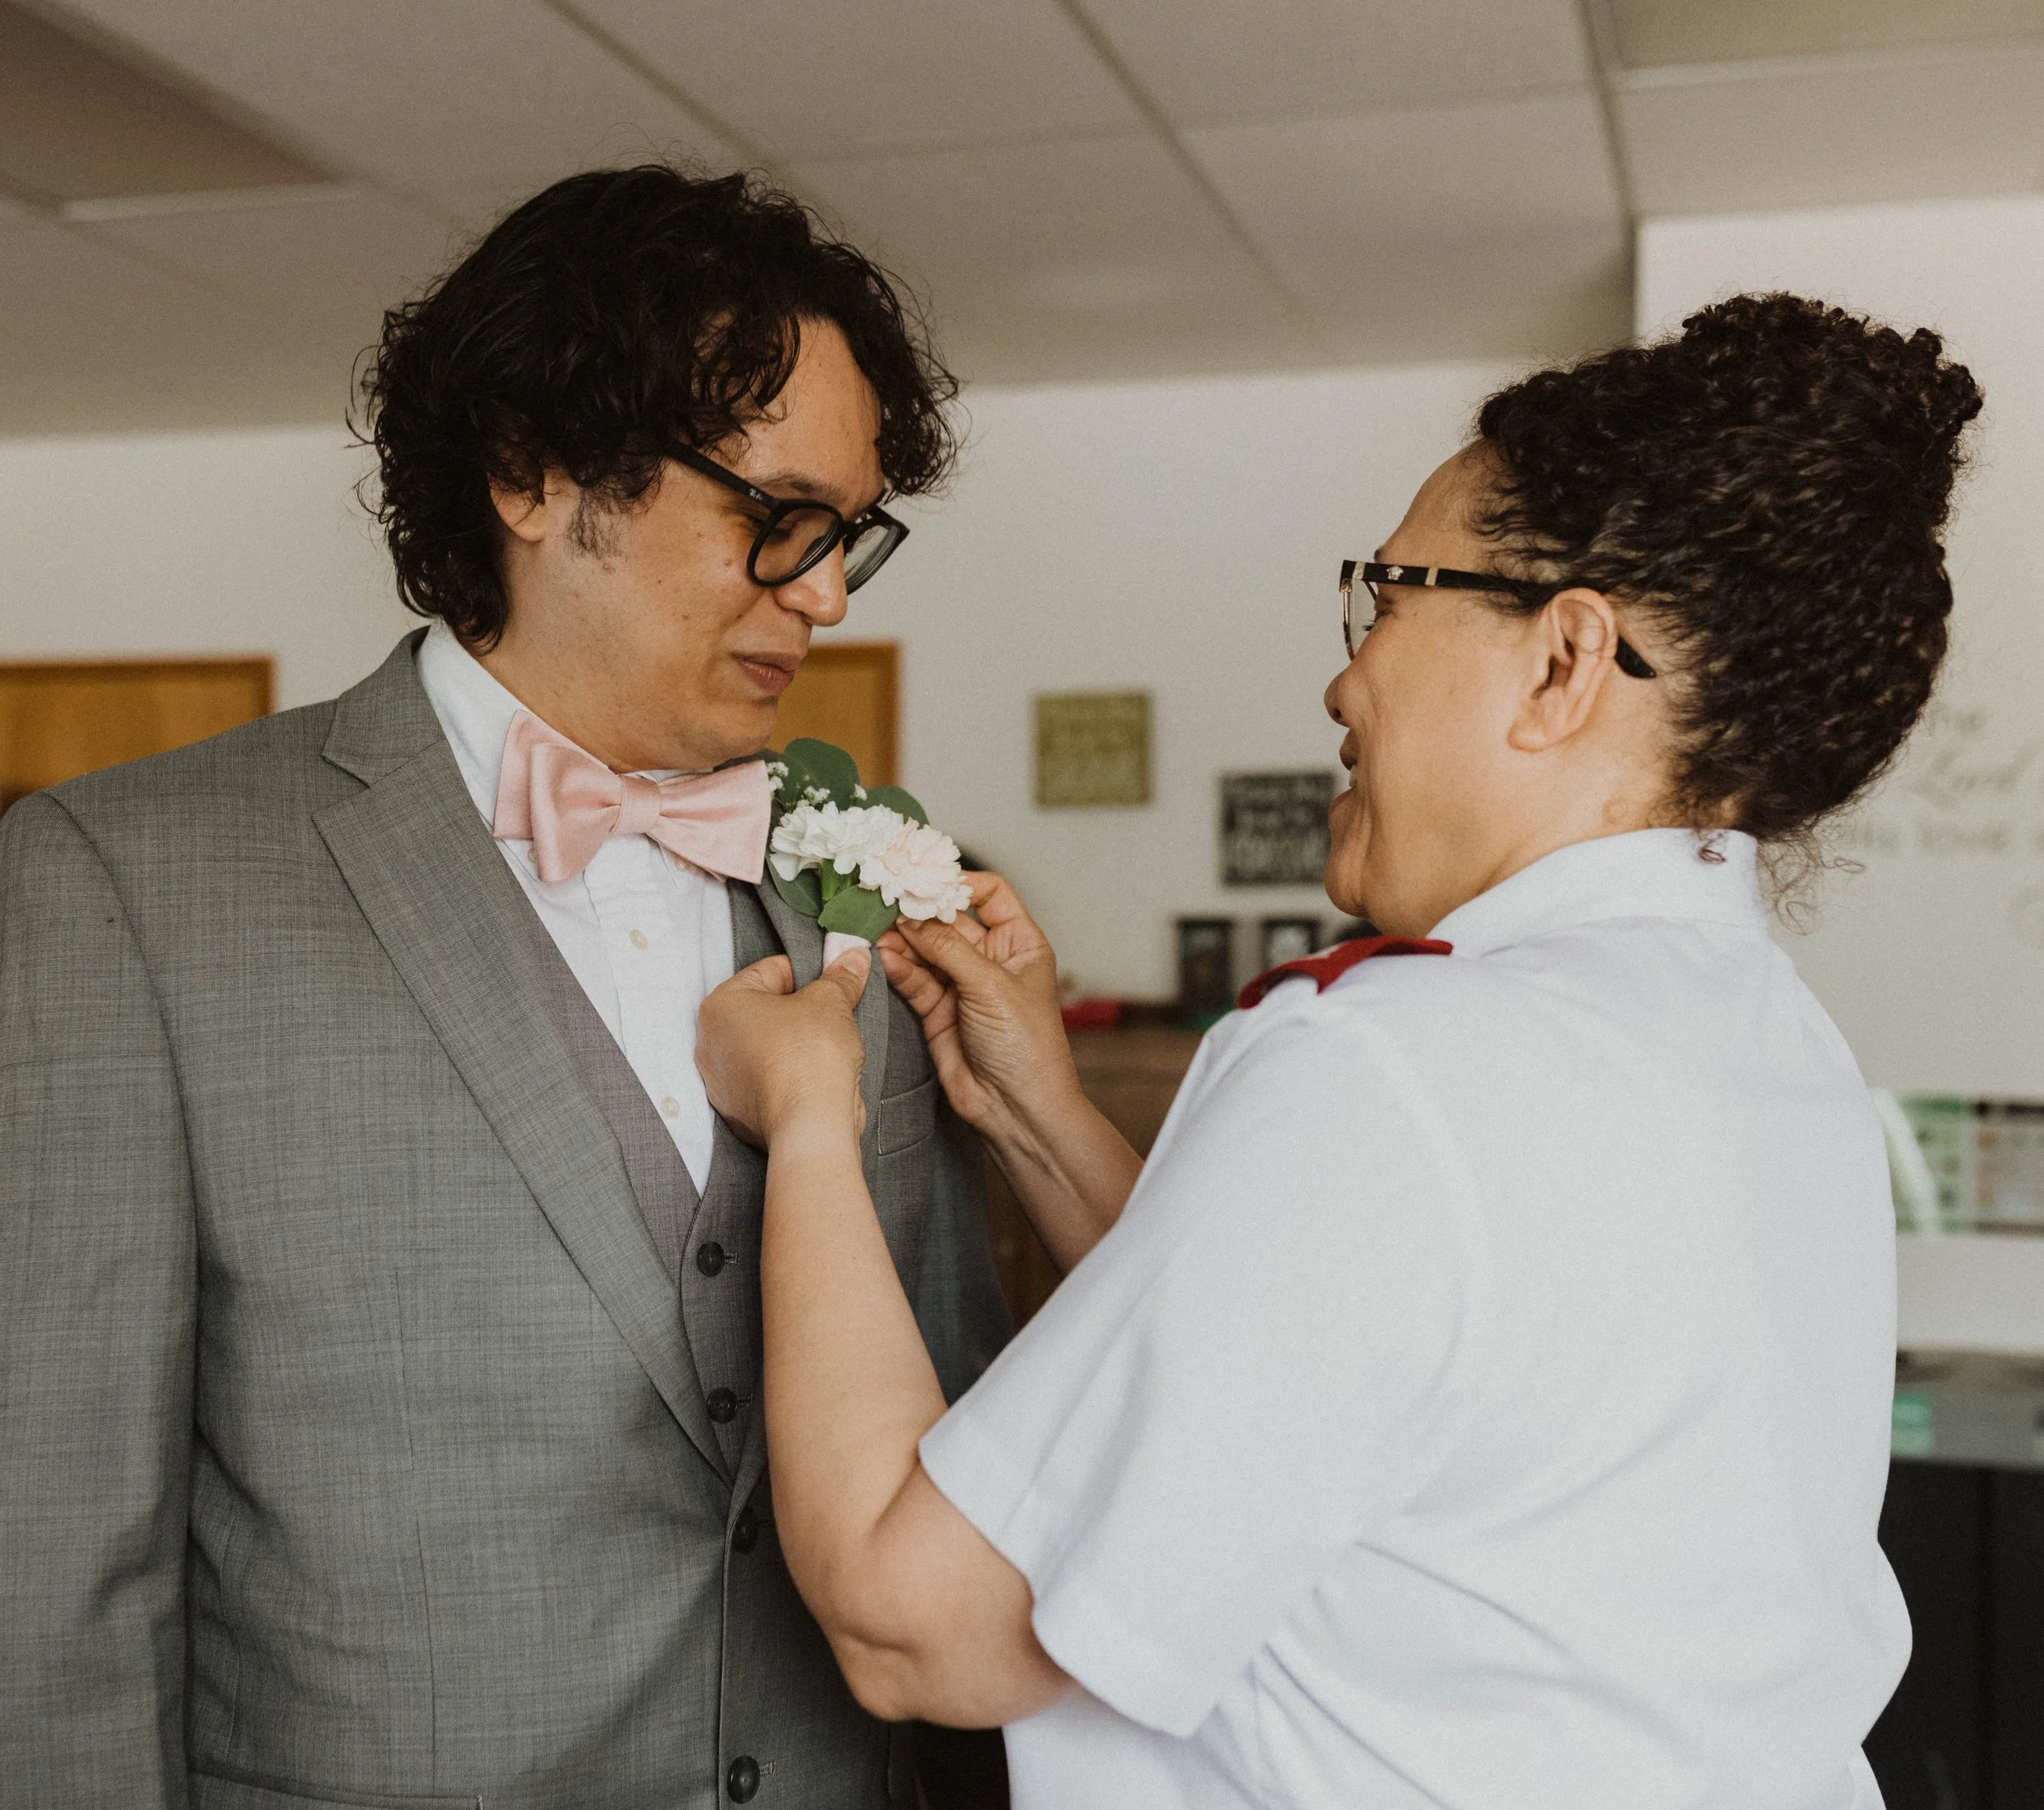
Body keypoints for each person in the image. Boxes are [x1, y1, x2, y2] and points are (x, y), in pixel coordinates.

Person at [693, 293, 1983, 1808]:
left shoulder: (1397, 1064)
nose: (1346, 678)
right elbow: (1338, 1367)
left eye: (1390, 595)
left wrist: (813, 1114)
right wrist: (1038, 1102)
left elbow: (917, 1629)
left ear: (1565, 662)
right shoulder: (1774, 1051)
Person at [0, 166, 1010, 1808]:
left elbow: (966, 1435)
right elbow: (51, 1559)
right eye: (777, 519)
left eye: (849, 540)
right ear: (530, 474)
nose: (823, 593)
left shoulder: (864, 875)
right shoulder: (121, 889)